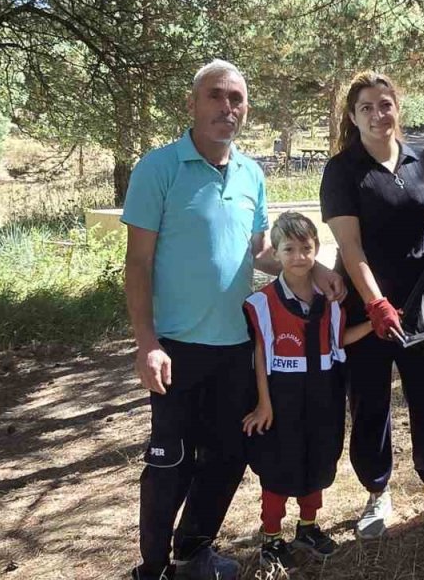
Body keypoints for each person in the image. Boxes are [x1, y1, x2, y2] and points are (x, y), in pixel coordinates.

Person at [122, 59, 344, 580]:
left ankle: (192, 552)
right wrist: (147, 342)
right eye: (216, 96)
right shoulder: (158, 168)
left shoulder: (251, 174)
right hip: (176, 347)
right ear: (192, 104)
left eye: (237, 98)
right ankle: (152, 568)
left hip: (238, 346)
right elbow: (138, 263)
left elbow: (261, 254)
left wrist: (315, 269)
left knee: (228, 454)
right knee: (170, 461)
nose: (228, 107)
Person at [319, 71, 424, 539]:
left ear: (396, 108)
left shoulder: (417, 159)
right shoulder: (343, 170)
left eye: (384, 105)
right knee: (370, 400)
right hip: (369, 307)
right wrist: (376, 304)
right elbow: (350, 247)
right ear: (352, 117)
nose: (377, 115)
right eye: (366, 107)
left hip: (423, 300)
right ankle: (376, 492)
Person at [240, 211, 374, 571]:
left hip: (323, 394)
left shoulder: (330, 301)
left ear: (316, 249)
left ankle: (308, 527)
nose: (298, 257)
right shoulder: (262, 302)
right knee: (278, 466)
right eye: (289, 249)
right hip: (281, 398)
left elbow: (338, 341)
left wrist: (372, 325)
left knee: (318, 459)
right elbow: (260, 354)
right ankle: (271, 537)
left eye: (306, 248)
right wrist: (264, 403)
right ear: (275, 254)